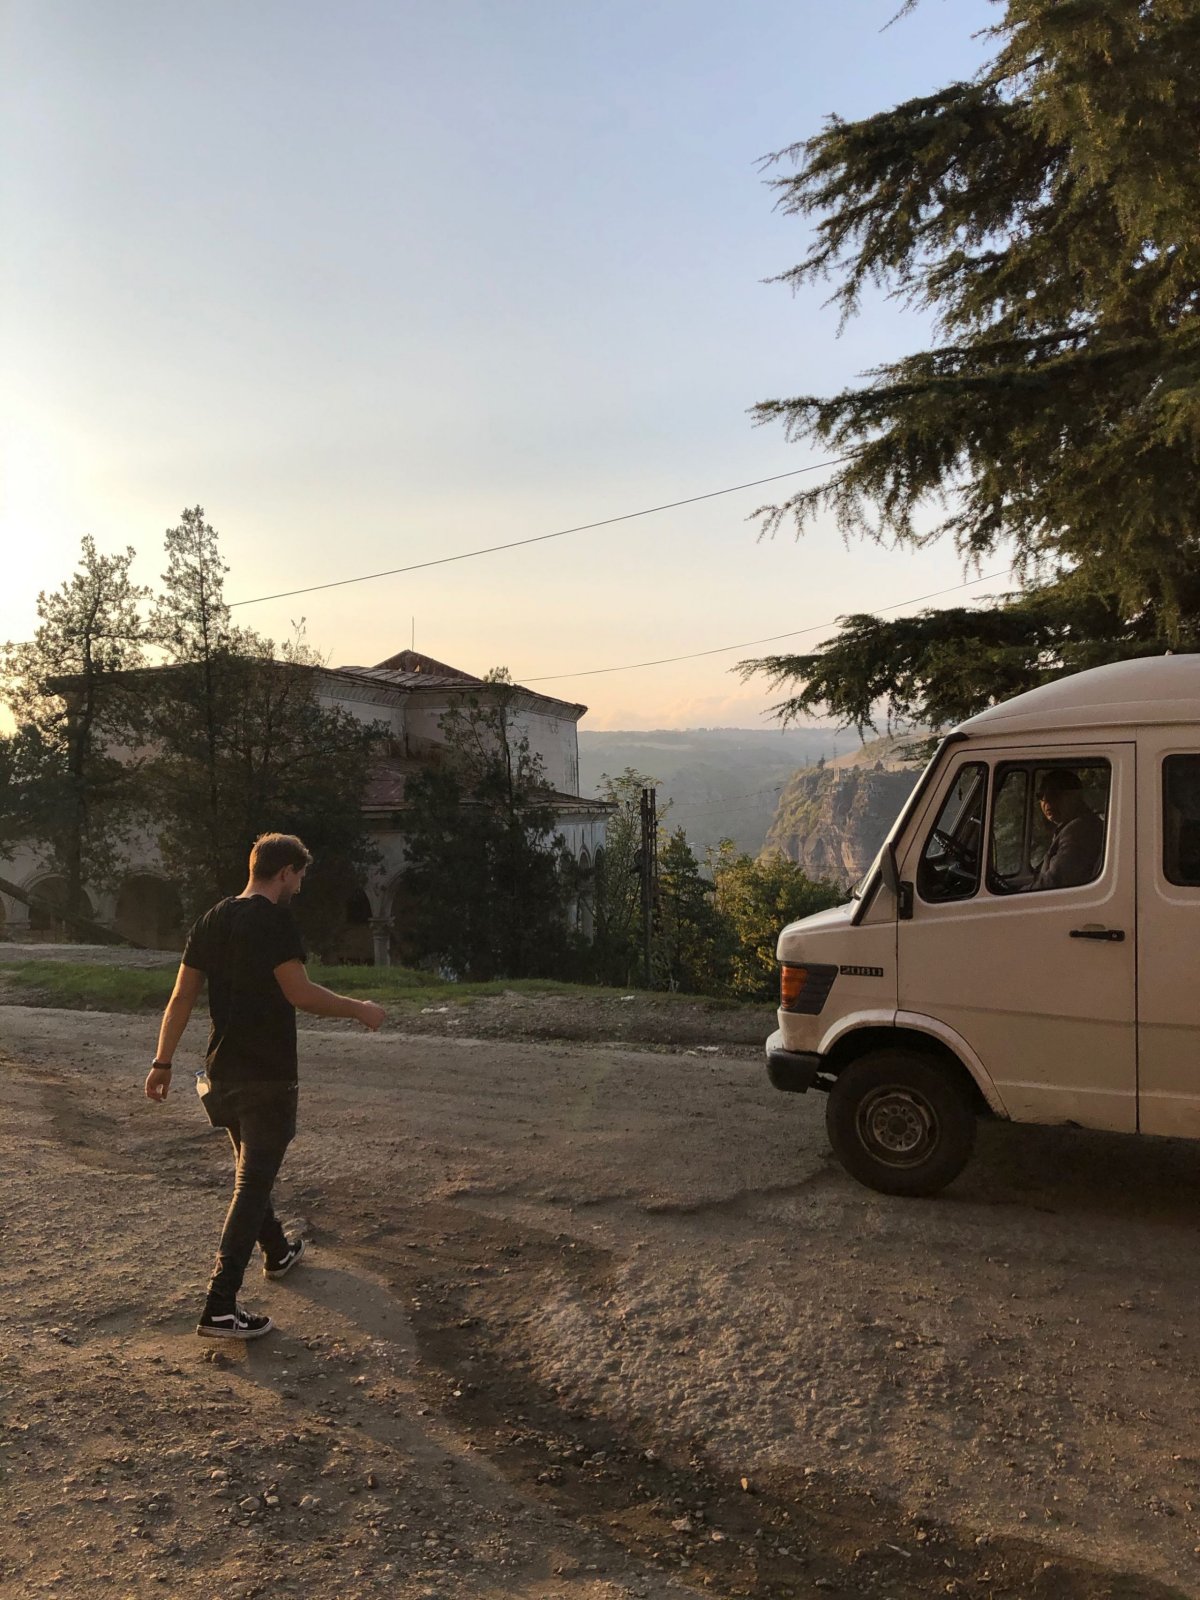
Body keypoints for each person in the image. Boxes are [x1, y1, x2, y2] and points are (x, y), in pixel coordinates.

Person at [144, 832, 386, 1340]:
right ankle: (220, 1304)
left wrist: (162, 1062)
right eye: (299, 876)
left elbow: (181, 997)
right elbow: (300, 993)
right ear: (284, 872)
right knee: (251, 1184)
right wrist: (359, 1009)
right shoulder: (274, 920)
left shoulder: (211, 919)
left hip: (222, 1074)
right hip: (267, 1074)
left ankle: (276, 1251)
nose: (299, 886)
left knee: (251, 1171)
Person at [1029, 770, 1105, 891]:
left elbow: (1055, 881)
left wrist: (1017, 895)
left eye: (1054, 793)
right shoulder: (1070, 826)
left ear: (1075, 795)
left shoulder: (1080, 829)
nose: (1046, 800)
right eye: (1041, 795)